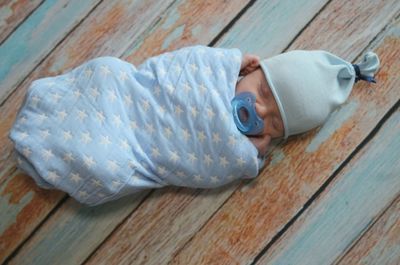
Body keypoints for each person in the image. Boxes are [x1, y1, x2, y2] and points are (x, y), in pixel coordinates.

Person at [8, 45, 379, 206]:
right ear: (251, 68)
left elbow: (200, 167)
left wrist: (248, 158)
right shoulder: (212, 71)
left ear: (274, 137)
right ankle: (57, 107)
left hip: (135, 148)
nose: (260, 110)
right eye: (263, 90)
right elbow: (178, 69)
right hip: (129, 99)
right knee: (108, 72)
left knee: (108, 165)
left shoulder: (238, 151)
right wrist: (225, 62)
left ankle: (60, 157)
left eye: (276, 123)